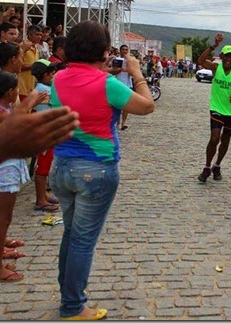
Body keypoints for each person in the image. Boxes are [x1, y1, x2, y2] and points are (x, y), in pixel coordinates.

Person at [49, 20, 154, 320]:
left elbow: (82, 82)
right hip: (96, 170)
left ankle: (68, 295)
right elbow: (146, 106)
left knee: (70, 235)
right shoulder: (107, 84)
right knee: (83, 241)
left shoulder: (59, 79)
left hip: (62, 166)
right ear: (105, 51)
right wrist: (135, 73)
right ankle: (73, 305)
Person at [0, 71, 30, 282]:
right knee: (2, 217)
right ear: (11, 91)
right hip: (5, 168)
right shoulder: (1, 113)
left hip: (4, 165)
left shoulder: (2, 109)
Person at [197, 34, 231, 182]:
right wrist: (213, 45)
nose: (228, 59)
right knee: (214, 138)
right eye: (226, 56)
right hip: (217, 108)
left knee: (225, 139)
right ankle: (206, 167)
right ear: (221, 56)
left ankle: (217, 165)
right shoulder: (216, 67)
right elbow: (200, 61)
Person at [31, 59, 60, 212]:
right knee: (43, 166)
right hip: (46, 132)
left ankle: (43, 195)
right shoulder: (44, 90)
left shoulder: (40, 88)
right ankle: (40, 199)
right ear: (47, 75)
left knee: (46, 164)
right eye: (52, 73)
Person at [109, 44, 133, 130]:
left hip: (127, 84)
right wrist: (119, 69)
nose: (125, 51)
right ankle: (118, 123)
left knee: (126, 105)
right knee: (117, 105)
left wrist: (128, 67)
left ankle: (124, 122)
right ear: (120, 50)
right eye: (123, 49)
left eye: (126, 50)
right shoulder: (116, 59)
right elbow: (113, 71)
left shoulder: (130, 61)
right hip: (118, 83)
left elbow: (132, 73)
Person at [17, 25, 42, 101]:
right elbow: (17, 66)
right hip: (21, 87)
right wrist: (35, 65)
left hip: (31, 87)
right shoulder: (22, 47)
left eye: (40, 35)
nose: (39, 37)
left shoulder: (36, 48)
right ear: (30, 34)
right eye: (37, 34)